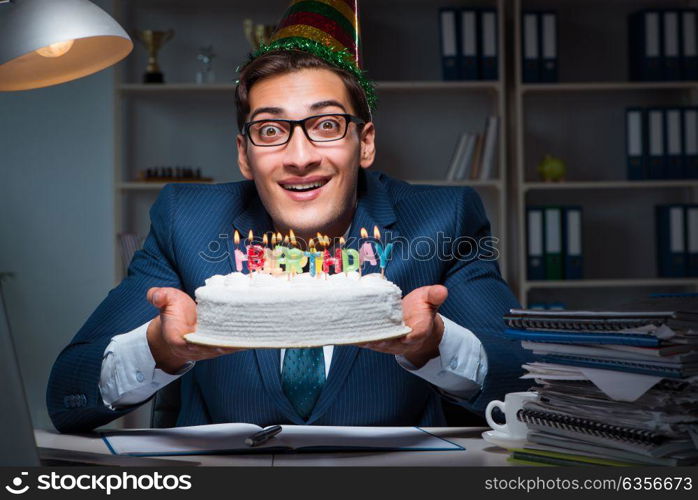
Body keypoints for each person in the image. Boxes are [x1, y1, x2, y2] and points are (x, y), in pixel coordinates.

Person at [47, 0, 531, 433]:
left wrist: (436, 346)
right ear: (244, 154)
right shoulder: (186, 222)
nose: (299, 156)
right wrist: (159, 348)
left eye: (326, 125)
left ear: (364, 143)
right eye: (272, 129)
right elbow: (68, 394)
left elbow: (526, 383)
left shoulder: (444, 221)